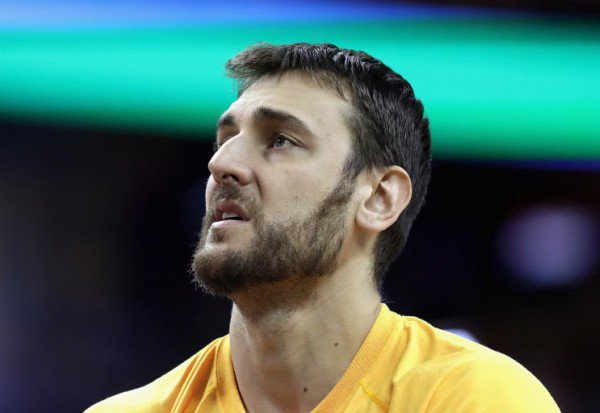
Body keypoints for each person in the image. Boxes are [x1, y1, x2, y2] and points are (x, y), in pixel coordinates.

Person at [86, 43, 560, 412]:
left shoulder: (475, 399)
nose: (221, 163)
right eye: (226, 139)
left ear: (378, 198)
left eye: (281, 140)